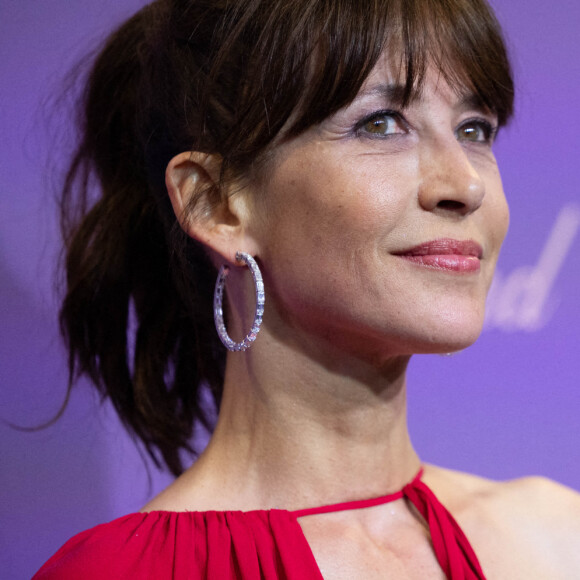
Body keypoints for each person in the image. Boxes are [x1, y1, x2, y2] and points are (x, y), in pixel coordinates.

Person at [34, 0, 580, 578]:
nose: (466, 185)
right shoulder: (121, 571)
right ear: (216, 204)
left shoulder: (557, 540)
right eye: (382, 123)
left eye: (475, 130)